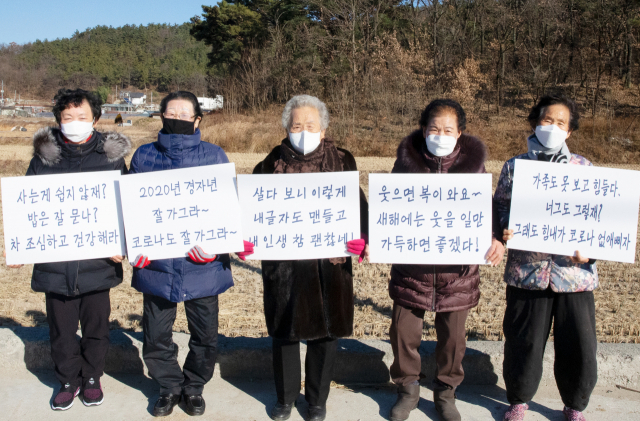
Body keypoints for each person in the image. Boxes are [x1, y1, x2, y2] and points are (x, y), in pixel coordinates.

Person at [4, 88, 131, 410]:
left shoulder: (112, 158)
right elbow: (29, 210)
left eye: (82, 117)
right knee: (61, 330)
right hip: (55, 264)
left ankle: (91, 377)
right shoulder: (43, 159)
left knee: (96, 328)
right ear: (58, 121)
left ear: (96, 119)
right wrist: (20, 246)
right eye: (67, 118)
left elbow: (127, 207)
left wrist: (123, 243)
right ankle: (65, 380)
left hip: (98, 263)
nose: (75, 123)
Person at [128, 91, 253, 417]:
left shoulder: (214, 156)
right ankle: (169, 386)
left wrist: (217, 244)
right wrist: (135, 248)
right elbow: (133, 211)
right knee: (155, 335)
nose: (178, 119)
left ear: (198, 119)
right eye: (172, 113)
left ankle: (195, 386)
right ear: (161, 117)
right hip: (157, 265)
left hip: (204, 264)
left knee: (205, 335)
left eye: (185, 114)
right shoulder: (143, 157)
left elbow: (227, 208)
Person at [251, 94, 369, 421]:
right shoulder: (269, 163)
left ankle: (317, 400)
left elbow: (357, 206)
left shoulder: (343, 161)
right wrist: (247, 239)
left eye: (311, 125)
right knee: (284, 332)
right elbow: (252, 211)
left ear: (324, 127)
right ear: (286, 128)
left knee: (325, 334)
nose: (304, 131)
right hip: (284, 266)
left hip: (328, 266)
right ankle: (285, 398)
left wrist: (363, 238)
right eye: (297, 125)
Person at [387, 99, 505, 421]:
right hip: (412, 270)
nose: (441, 134)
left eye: (448, 130)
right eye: (434, 129)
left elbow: (487, 212)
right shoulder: (406, 163)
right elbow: (390, 211)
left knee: (453, 340)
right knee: (402, 333)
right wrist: (377, 241)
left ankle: (446, 393)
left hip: (458, 274)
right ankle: (408, 389)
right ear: (423, 130)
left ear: (460, 133)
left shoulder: (474, 168)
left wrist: (495, 239)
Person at [494, 94, 598, 421]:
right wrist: (503, 229)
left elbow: (599, 218)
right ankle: (519, 400)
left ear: (569, 132)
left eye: (560, 123)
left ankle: (574, 405)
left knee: (579, 346)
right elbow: (499, 209)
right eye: (546, 121)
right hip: (528, 271)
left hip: (574, 274)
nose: (552, 128)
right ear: (535, 123)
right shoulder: (515, 167)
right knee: (524, 342)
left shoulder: (584, 168)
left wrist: (591, 250)